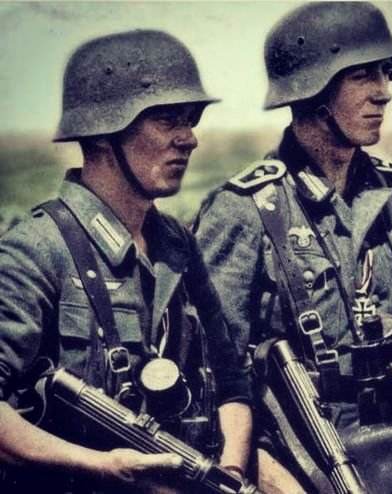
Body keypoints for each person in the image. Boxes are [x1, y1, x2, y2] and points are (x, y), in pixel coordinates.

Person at [194, 2, 392, 493]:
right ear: (312, 92)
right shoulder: (243, 211)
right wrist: (267, 478)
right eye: (362, 75)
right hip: (308, 469)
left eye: (386, 72)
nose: (384, 91)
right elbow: (212, 382)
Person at [0, 30, 252, 493]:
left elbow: (231, 380)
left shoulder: (176, 244)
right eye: (167, 119)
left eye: (190, 120)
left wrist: (229, 477)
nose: (189, 138)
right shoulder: (36, 250)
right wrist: (98, 465)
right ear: (102, 134)